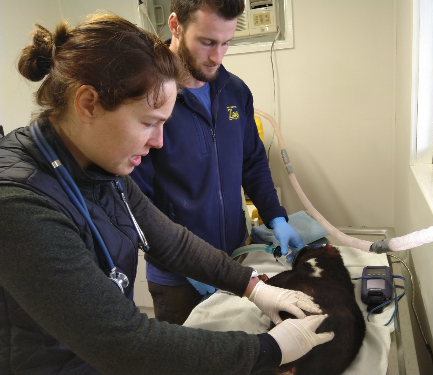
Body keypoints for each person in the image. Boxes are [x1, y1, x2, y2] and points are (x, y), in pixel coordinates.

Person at [0, 15, 334, 374]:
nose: (159, 141)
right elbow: (125, 343)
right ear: (87, 104)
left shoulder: (100, 168)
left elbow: (170, 241)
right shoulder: (21, 204)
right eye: (148, 123)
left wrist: (254, 286)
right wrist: (268, 349)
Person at [130, 0, 306, 325]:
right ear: (175, 26)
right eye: (207, 42)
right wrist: (188, 263)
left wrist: (276, 218)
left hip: (234, 260)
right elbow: (135, 202)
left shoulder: (234, 92)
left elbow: (251, 162)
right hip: (179, 279)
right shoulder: (148, 98)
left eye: (226, 43)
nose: (217, 57)